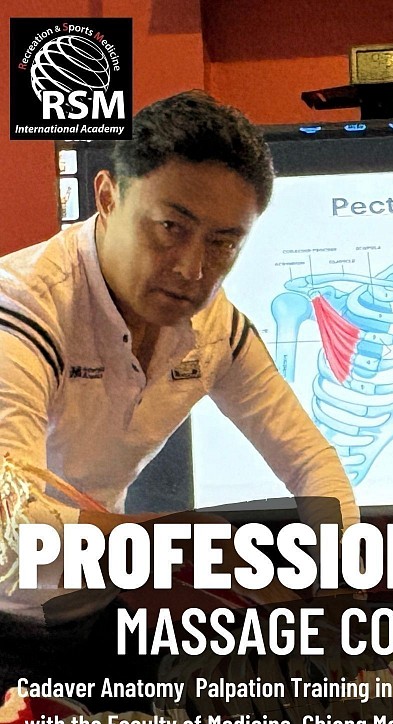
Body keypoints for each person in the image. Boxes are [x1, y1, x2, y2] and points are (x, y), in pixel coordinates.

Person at [0, 89, 358, 632]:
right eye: (171, 227)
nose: (192, 269)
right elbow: (13, 535)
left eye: (223, 243)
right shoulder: (24, 307)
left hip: (95, 604)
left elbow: (311, 463)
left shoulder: (214, 326)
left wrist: (338, 579)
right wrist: (188, 544)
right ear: (108, 197)